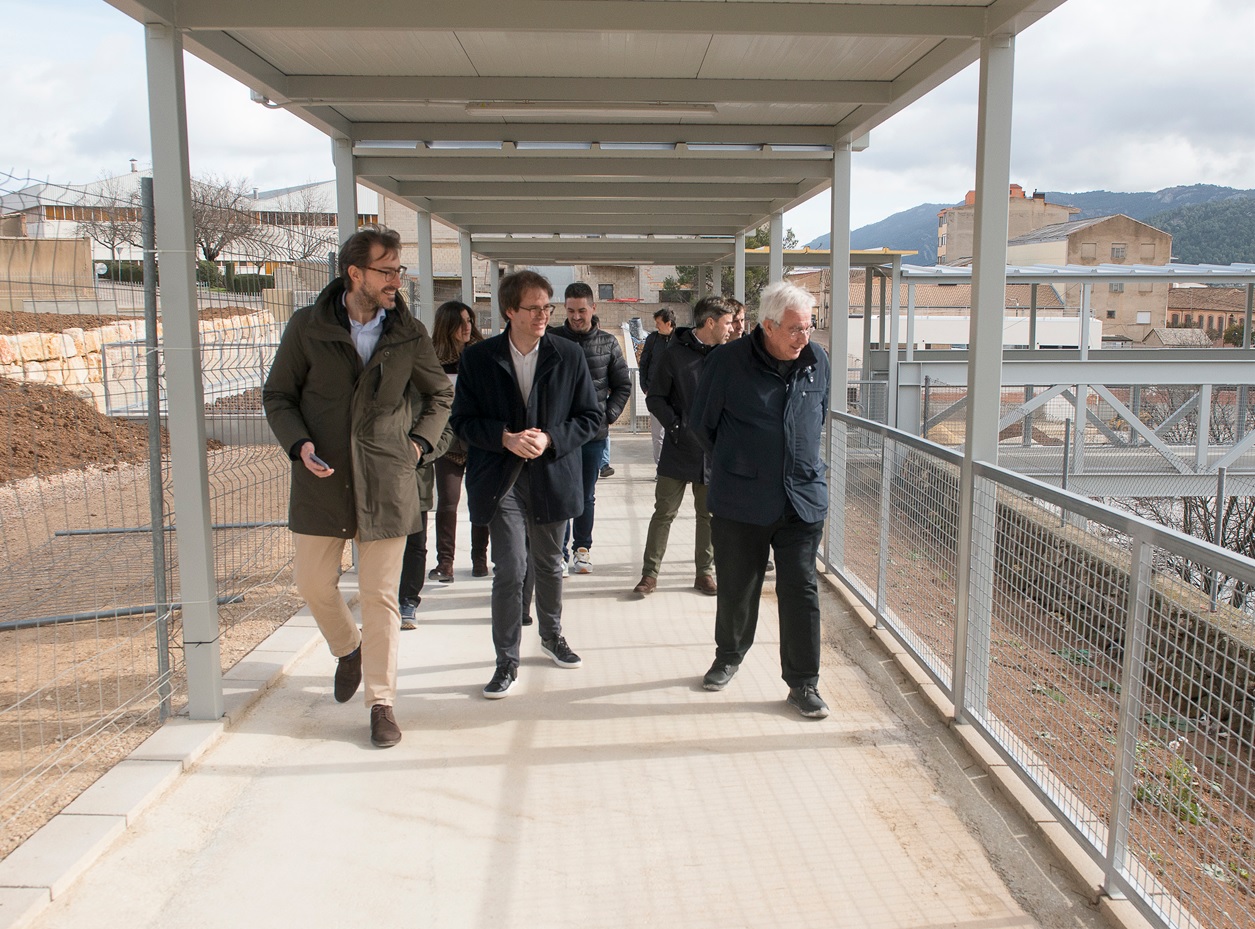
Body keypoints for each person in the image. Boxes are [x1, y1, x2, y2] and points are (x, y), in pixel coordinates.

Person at [263, 225, 453, 747]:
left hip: (387, 483)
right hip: (321, 481)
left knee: (380, 597)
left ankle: (382, 703)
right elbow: (278, 395)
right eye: (386, 271)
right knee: (311, 583)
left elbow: (440, 396)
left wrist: (417, 446)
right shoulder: (307, 327)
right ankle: (349, 650)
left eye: (398, 270)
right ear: (355, 273)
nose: (396, 280)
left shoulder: (409, 333)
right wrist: (299, 444)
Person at [450, 270, 601, 699]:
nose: (542, 315)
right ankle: (506, 660)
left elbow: (590, 416)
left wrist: (550, 439)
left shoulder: (568, 354)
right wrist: (504, 437)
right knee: (511, 569)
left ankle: (552, 637)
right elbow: (462, 421)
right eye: (533, 308)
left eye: (546, 307)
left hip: (552, 475)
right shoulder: (479, 359)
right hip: (502, 480)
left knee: (550, 563)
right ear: (509, 311)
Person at [690, 281, 831, 719]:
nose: (802, 337)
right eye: (794, 329)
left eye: (808, 327)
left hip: (801, 499)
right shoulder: (727, 362)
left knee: (801, 591)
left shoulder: (817, 360)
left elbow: (818, 416)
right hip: (741, 501)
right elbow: (701, 425)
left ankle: (803, 683)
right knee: (737, 586)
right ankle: (728, 657)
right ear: (768, 326)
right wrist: (741, 464)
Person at [632, 296, 733, 597]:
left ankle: (704, 574)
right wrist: (677, 427)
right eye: (727, 323)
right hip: (678, 449)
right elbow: (655, 398)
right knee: (664, 512)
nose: (731, 329)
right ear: (710, 322)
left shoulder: (727, 357)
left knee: (708, 515)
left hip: (712, 451)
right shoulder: (674, 354)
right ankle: (649, 575)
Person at [551, 282, 631, 575]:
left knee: (585, 494)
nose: (576, 316)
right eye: (571, 310)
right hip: (559, 435)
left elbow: (623, 385)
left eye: (582, 310)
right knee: (559, 494)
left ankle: (582, 549)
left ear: (593, 308)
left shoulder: (608, 343)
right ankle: (558, 552)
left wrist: (607, 415)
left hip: (593, 435)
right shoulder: (551, 340)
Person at [427, 300, 490, 584]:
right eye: (461, 322)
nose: (467, 326)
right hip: (447, 442)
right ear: (447, 325)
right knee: (447, 502)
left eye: (469, 320)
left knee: (481, 500)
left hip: (477, 439)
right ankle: (446, 563)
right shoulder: (431, 360)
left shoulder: (481, 355)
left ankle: (480, 559)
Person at [397, 423, 454, 629]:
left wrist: (422, 452)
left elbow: (446, 431)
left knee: (415, 545)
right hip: (378, 481)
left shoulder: (430, 401)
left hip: (416, 480)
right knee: (380, 545)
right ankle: (381, 603)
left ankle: (408, 601)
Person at [637, 307, 676, 465]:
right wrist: (645, 387)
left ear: (668, 323)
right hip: (655, 393)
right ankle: (661, 467)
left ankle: (674, 466)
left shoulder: (680, 341)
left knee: (675, 431)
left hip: (676, 394)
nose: (656, 326)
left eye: (659, 323)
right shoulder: (652, 339)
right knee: (657, 434)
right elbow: (644, 364)